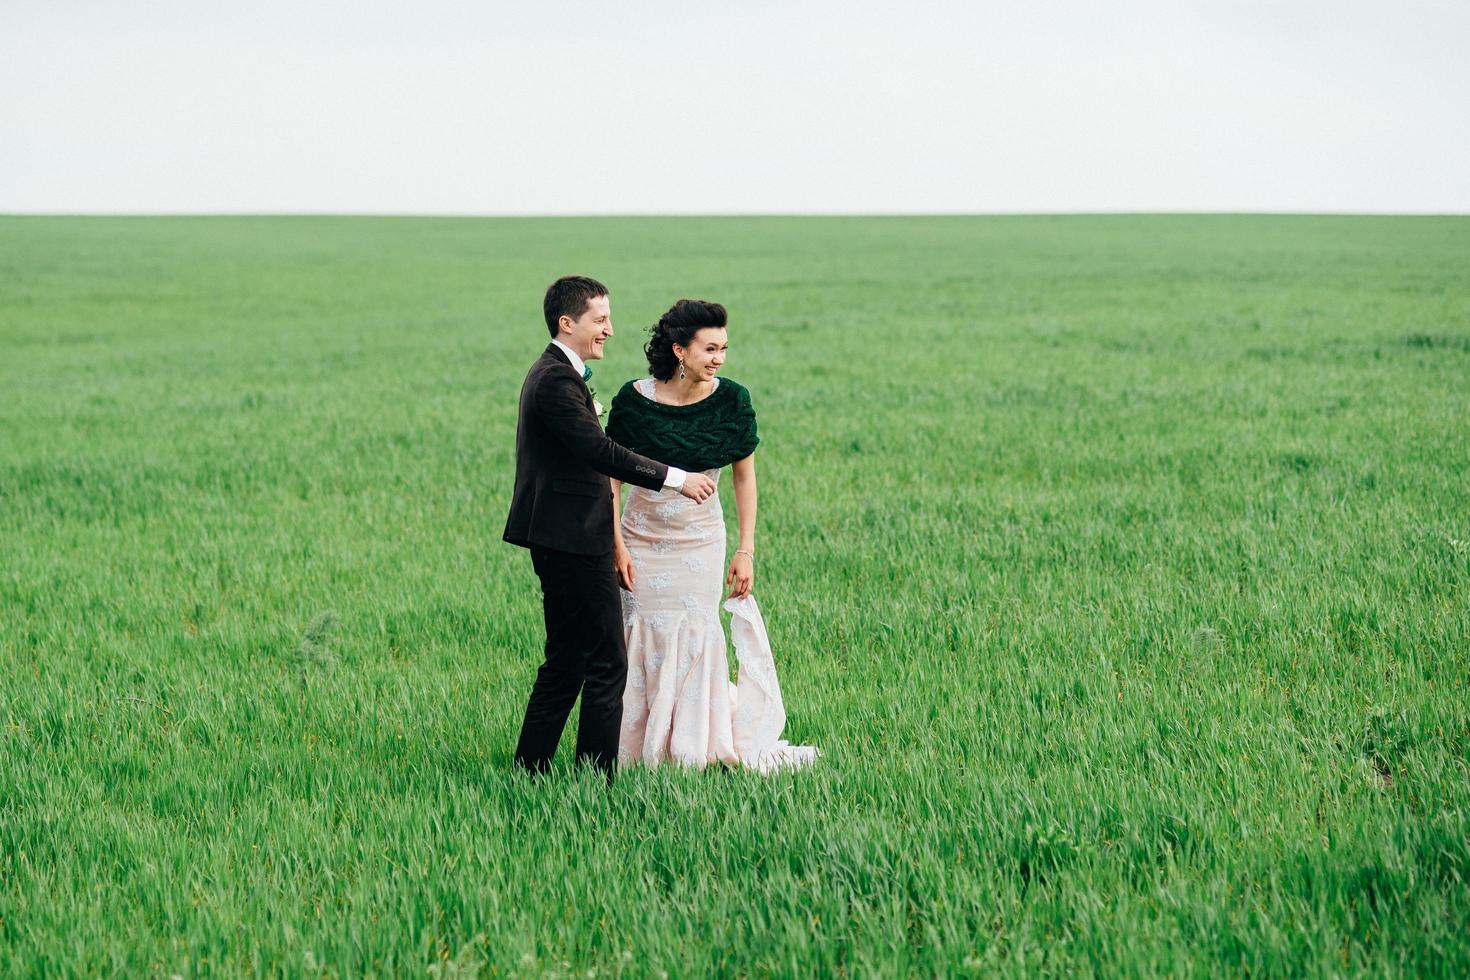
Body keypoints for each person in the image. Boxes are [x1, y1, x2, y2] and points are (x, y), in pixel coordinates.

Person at [502, 276, 717, 780]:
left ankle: (530, 769)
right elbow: (599, 453)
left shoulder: (556, 373)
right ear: (567, 323)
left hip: (561, 536)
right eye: (600, 319)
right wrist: (675, 478)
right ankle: (596, 781)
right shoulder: (555, 380)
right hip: (573, 539)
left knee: (567, 660)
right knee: (606, 663)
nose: (609, 330)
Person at [605, 299, 818, 773]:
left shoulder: (732, 401)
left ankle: (695, 747)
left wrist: (746, 548)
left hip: (701, 542)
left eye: (724, 347)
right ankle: (639, 749)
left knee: (698, 634)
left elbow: (744, 478)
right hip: (640, 539)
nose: (719, 357)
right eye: (710, 348)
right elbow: (611, 478)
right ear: (680, 350)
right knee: (640, 636)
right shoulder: (633, 401)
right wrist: (615, 543)